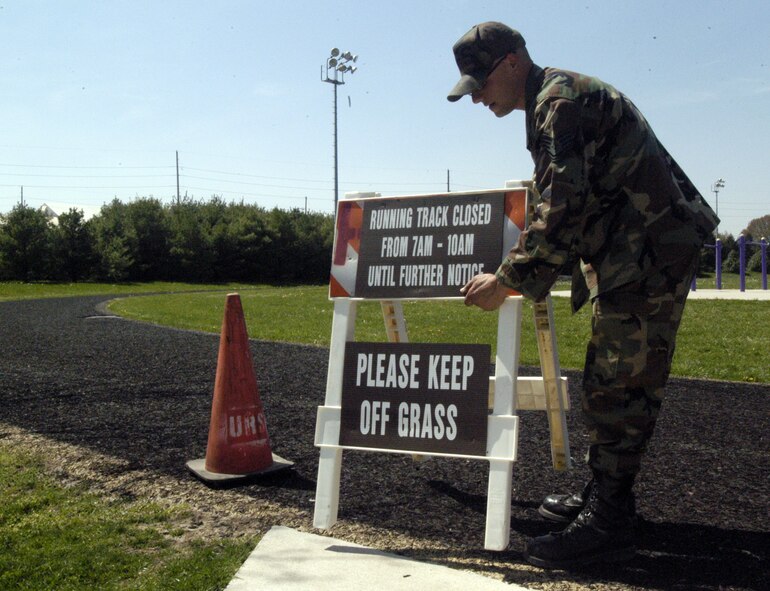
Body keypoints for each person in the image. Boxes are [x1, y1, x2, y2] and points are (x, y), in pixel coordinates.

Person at [447, 22, 719, 569]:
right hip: (633, 249)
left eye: (480, 83)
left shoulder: (558, 103)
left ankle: (610, 520)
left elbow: (560, 208)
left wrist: (506, 279)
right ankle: (607, 496)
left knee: (619, 383)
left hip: (649, 251)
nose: (477, 97)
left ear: (512, 62)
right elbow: (563, 197)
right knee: (609, 379)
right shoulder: (552, 99)